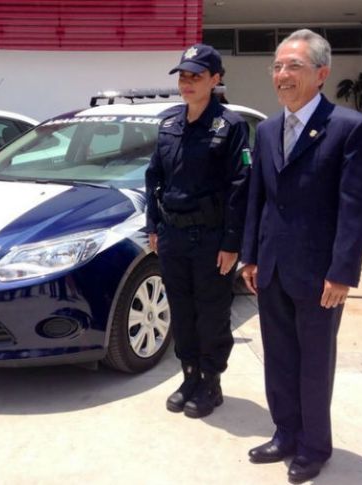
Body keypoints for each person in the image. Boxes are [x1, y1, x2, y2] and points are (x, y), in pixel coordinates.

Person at [240, 29, 362, 483]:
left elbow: (355, 210)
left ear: (322, 73)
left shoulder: (349, 129)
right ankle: (285, 434)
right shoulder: (267, 130)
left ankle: (315, 446)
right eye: (277, 66)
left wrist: (342, 273)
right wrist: (250, 257)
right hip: (273, 267)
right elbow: (256, 199)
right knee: (278, 357)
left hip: (320, 276)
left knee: (314, 363)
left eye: (293, 66)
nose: (282, 74)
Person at [145, 44, 250, 419]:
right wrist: (152, 225)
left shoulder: (231, 126)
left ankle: (211, 382)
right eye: (184, 77)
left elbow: (240, 187)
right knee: (182, 311)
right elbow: (153, 176)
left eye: (197, 76)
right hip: (173, 236)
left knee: (211, 313)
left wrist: (232, 243)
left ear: (216, 79)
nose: (187, 83)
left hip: (210, 238)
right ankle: (189, 376)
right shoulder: (169, 123)